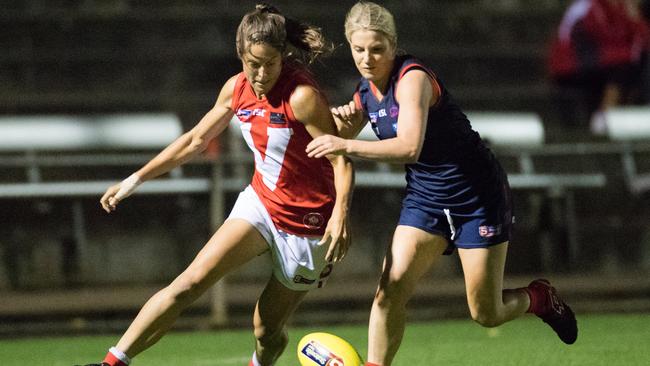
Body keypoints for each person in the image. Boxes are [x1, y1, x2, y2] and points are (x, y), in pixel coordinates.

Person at [78, 4, 354, 366]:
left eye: (269, 64)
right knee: (188, 283)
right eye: (252, 63)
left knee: (265, 331)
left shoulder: (301, 96)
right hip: (262, 204)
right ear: (240, 55)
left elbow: (340, 159)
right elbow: (194, 140)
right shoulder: (236, 89)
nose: (260, 73)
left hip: (308, 225)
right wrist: (136, 179)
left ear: (283, 56)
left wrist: (340, 216)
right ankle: (111, 363)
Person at [305, 2, 578, 365]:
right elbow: (336, 136)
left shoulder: (412, 78)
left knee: (486, 313)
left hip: (476, 197)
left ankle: (540, 298)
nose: (367, 59)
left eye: (376, 49)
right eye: (358, 50)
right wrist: (331, 121)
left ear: (393, 45)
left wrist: (346, 143)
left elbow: (409, 146)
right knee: (389, 291)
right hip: (426, 200)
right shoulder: (365, 93)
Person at [548, 0, 649, 135]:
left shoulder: (624, 9)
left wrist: (635, 19)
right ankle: (603, 117)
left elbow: (642, 40)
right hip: (574, 63)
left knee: (633, 66)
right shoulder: (587, 7)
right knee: (623, 68)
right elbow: (604, 37)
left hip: (601, 61)